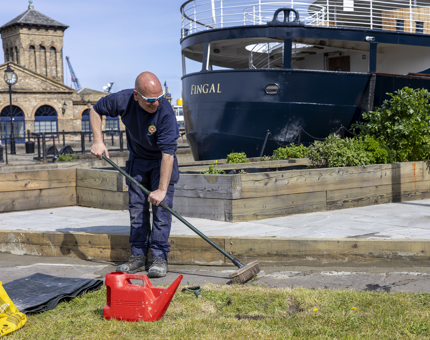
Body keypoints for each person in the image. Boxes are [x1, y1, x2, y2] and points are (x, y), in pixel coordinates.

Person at [90, 72, 179, 278]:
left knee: (161, 211)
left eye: (160, 97)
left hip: (161, 162)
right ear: (136, 95)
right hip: (138, 160)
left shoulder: (165, 113)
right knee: (137, 210)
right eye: (150, 100)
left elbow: (168, 154)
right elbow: (95, 110)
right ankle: (138, 256)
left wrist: (162, 190)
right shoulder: (123, 100)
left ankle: (158, 257)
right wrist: (98, 140)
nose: (156, 103)